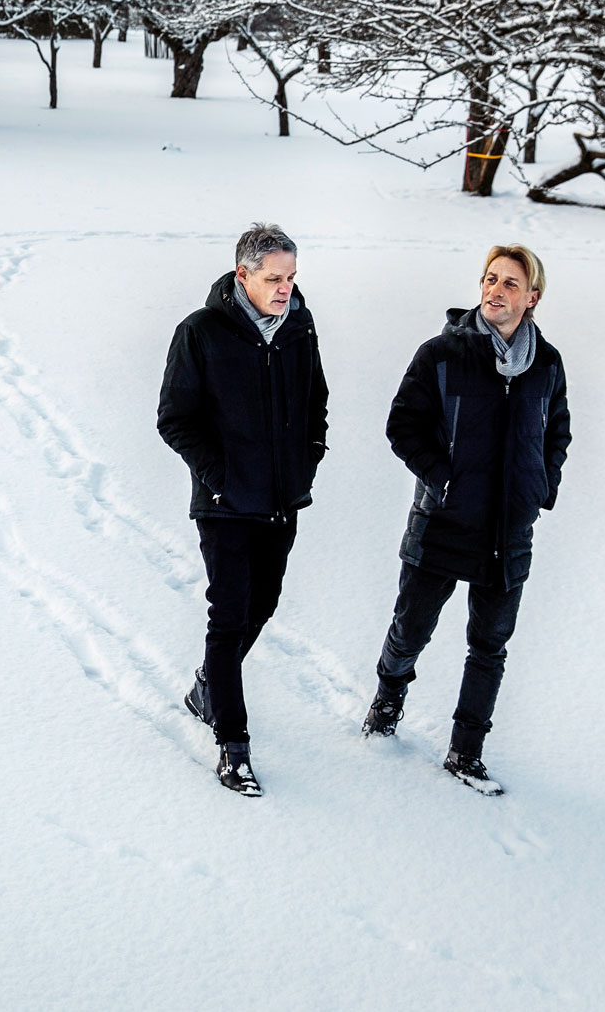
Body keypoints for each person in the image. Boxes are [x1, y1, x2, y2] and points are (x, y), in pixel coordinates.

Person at [360, 245, 572, 795]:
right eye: (490, 279)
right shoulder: (442, 354)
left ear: (533, 298)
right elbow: (402, 425)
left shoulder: (546, 365)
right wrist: (441, 476)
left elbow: (557, 434)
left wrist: (539, 489)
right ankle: (387, 701)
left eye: (509, 283)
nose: (495, 290)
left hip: (508, 530)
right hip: (444, 521)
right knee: (411, 629)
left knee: (489, 647)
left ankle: (466, 751)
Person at [158, 224, 329, 796]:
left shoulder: (299, 326)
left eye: (291, 277)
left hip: (281, 500)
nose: (285, 289)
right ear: (243, 276)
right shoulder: (201, 332)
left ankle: (210, 685)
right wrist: (221, 478)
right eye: (274, 279)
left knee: (265, 602)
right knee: (229, 614)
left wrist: (307, 460)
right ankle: (233, 746)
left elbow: (316, 403)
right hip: (226, 505)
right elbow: (174, 418)